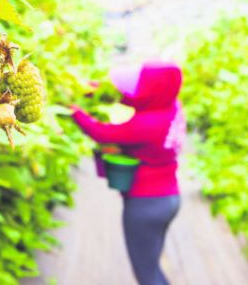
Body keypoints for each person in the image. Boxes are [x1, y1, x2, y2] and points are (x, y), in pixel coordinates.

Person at [70, 61, 185, 285]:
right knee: (152, 267)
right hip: (169, 199)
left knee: (147, 275)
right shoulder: (172, 108)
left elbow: (102, 133)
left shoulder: (146, 124)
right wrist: (99, 91)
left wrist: (74, 111)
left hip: (146, 205)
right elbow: (142, 99)